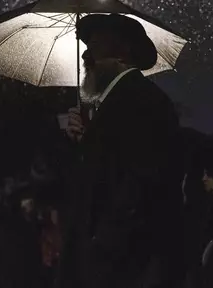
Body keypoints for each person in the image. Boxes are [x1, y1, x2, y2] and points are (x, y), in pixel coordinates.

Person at [60, 14, 183, 288]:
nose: (86, 56)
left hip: (128, 264)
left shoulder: (142, 100)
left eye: (94, 45)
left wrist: (103, 245)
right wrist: (82, 141)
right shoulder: (114, 103)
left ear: (122, 52)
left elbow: (143, 181)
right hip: (111, 260)